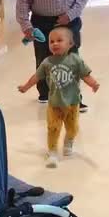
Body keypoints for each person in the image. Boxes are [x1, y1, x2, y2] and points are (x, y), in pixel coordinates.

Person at [18, 27, 100, 168]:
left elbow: (85, 74)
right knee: (53, 128)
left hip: (73, 103)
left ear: (70, 44)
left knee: (73, 128)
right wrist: (26, 87)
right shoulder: (47, 62)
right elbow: (36, 76)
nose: (55, 44)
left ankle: (68, 142)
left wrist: (93, 84)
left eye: (59, 40)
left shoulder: (75, 60)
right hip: (54, 104)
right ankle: (53, 152)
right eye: (51, 41)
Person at [16, 0, 91, 112]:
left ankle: (74, 99)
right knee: (43, 58)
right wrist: (26, 26)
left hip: (69, 21)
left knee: (71, 60)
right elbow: (23, 1)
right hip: (41, 22)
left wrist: (70, 14)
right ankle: (45, 91)